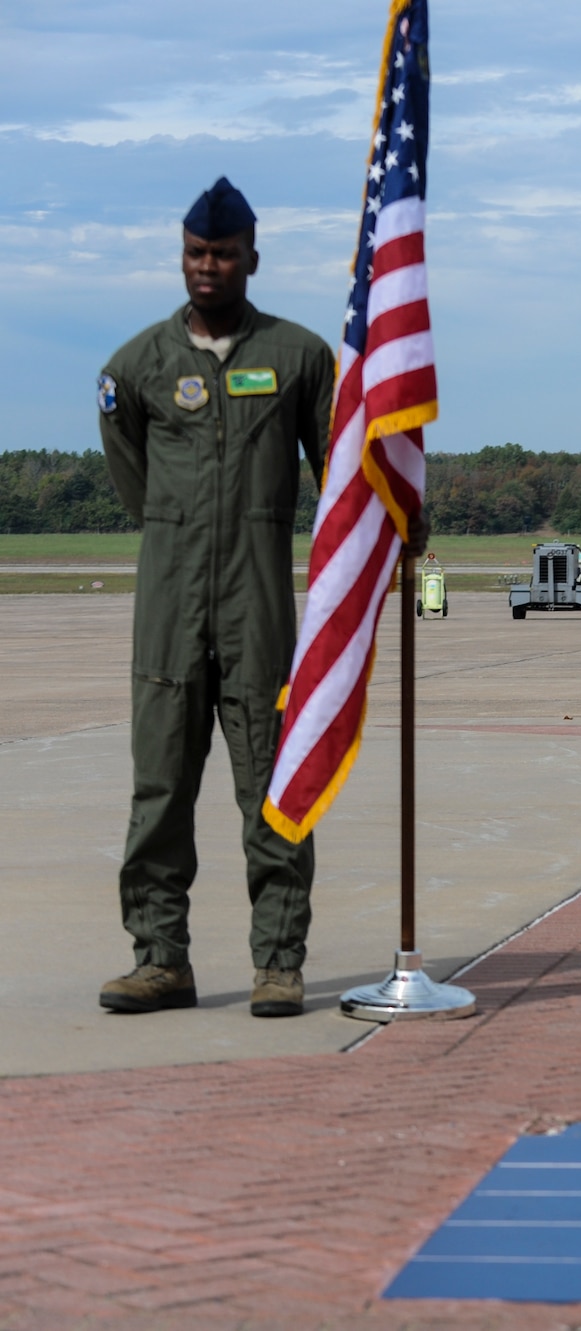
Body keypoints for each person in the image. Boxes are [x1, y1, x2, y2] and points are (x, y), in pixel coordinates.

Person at [94, 178, 337, 1019]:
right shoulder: (137, 368)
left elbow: (337, 478)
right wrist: (178, 529)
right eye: (197, 252)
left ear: (251, 259)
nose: (208, 266)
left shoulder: (300, 358)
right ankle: (161, 960)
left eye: (223, 253)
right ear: (183, 255)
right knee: (159, 791)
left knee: (273, 791)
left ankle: (278, 964)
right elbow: (134, 474)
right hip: (167, 612)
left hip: (259, 611)